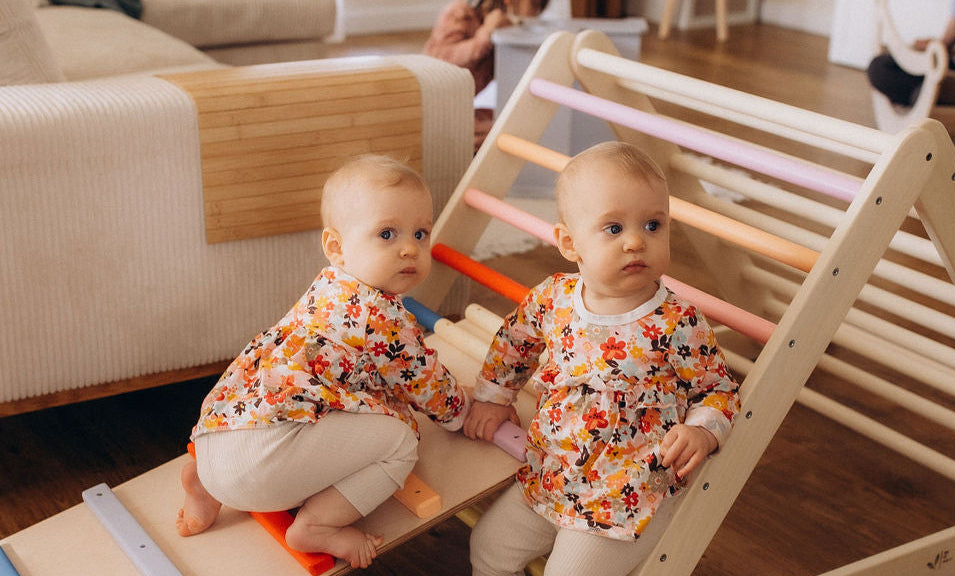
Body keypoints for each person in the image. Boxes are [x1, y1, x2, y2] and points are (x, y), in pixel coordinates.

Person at [175, 155, 470, 569]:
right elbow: (425, 383)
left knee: (317, 407)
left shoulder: (327, 287)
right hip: (259, 468)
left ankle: (205, 486)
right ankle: (318, 525)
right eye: (387, 234)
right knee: (402, 443)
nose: (410, 248)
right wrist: (463, 411)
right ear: (336, 247)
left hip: (214, 438)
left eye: (421, 233)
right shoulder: (382, 317)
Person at [462, 141, 742, 576]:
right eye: (614, 228)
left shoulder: (676, 321)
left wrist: (703, 431)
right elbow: (514, 342)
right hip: (553, 473)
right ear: (569, 243)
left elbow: (717, 389)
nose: (636, 241)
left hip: (627, 494)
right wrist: (493, 397)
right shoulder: (554, 297)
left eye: (653, 225)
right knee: (487, 549)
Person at [424, 0, 550, 150]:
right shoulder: (459, 13)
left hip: (457, 106)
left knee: (515, 125)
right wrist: (485, 34)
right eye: (533, 4)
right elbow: (440, 63)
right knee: (501, 135)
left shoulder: (506, 23)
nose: (535, 12)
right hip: (430, 104)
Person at [868, 0, 955, 107]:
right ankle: (928, 96)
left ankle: (926, 96)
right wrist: (934, 46)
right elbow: (954, 27)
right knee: (880, 66)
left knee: (934, 87)